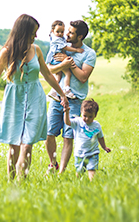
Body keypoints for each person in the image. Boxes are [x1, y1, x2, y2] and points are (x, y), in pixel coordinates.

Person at [0, 14, 69, 181]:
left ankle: (21, 183)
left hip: (35, 99)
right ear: (24, 32)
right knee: (14, 145)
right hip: (13, 100)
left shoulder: (36, 50)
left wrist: (62, 93)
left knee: (27, 143)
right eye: (33, 32)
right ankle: (11, 181)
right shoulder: (5, 53)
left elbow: (47, 74)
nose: (35, 36)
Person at [45, 20, 97, 174]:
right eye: (67, 31)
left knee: (68, 137)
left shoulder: (89, 53)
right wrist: (62, 65)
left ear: (80, 36)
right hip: (57, 97)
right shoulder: (62, 46)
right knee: (49, 133)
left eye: (71, 33)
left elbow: (83, 77)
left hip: (75, 100)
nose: (66, 34)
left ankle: (61, 172)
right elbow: (50, 68)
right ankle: (52, 164)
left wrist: (71, 63)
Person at [63, 99, 111, 181]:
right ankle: (79, 184)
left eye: (90, 116)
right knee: (79, 172)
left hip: (93, 153)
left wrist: (104, 147)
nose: (87, 119)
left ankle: (93, 184)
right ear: (81, 112)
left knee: (92, 170)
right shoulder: (77, 122)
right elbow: (67, 122)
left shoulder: (97, 125)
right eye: (84, 116)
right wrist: (66, 112)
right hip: (79, 154)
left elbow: (100, 137)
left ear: (95, 115)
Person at [45, 20, 84, 101]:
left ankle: (53, 91)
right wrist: (76, 50)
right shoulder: (57, 39)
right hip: (57, 59)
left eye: (62, 31)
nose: (61, 34)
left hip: (54, 59)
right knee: (68, 73)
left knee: (58, 76)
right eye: (58, 32)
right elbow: (65, 47)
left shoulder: (56, 37)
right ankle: (67, 90)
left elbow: (83, 78)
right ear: (53, 31)